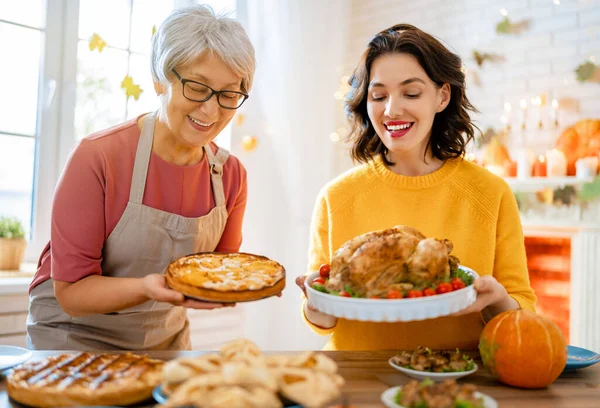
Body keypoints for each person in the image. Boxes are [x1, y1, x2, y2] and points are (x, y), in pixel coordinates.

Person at [27, 4, 256, 350]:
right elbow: (72, 292)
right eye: (197, 86)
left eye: (228, 94)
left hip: (166, 342)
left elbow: (217, 275)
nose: (211, 110)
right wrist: (148, 286)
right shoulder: (98, 157)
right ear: (159, 79)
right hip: (72, 338)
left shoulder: (230, 176)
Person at [296, 24, 536, 350]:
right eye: (379, 96)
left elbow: (522, 306)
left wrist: (497, 300)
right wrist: (315, 301)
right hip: (357, 379)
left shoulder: (490, 193)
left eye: (411, 93)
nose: (392, 109)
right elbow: (323, 323)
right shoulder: (336, 197)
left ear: (442, 96)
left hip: (458, 377)